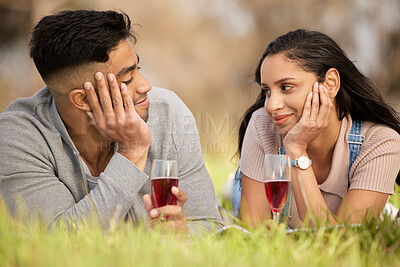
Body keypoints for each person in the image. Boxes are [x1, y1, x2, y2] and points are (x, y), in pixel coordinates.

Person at [0, 10, 223, 236]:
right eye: (127, 79)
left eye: (139, 69)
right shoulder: (19, 136)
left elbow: (209, 225)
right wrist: (132, 151)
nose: (145, 86)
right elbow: (57, 240)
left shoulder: (168, 113)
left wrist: (179, 237)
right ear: (83, 99)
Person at [237, 29, 400, 228]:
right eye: (267, 91)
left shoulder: (381, 142)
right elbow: (254, 236)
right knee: (233, 196)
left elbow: (339, 245)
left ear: (330, 84)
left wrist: (296, 149)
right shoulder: (262, 125)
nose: (271, 106)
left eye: (286, 87)